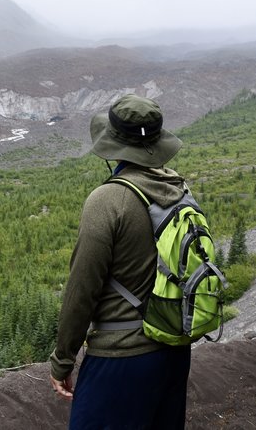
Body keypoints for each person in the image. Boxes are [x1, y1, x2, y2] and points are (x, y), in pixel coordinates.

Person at [49, 94, 192, 429]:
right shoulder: (179, 189)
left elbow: (81, 290)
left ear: (113, 145)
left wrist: (62, 361)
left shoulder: (108, 200)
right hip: (174, 351)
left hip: (120, 358)